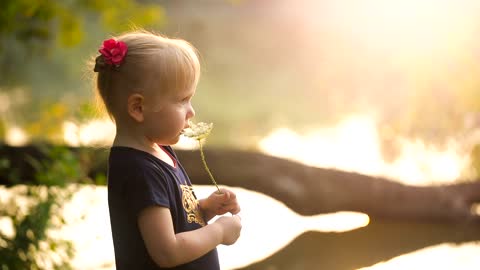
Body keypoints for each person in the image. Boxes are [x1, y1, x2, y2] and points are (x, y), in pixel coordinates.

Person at [92, 30, 242, 270]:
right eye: (182, 100)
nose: (191, 111)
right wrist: (219, 232)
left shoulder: (159, 152)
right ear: (138, 108)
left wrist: (204, 209)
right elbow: (167, 251)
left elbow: (176, 221)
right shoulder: (139, 170)